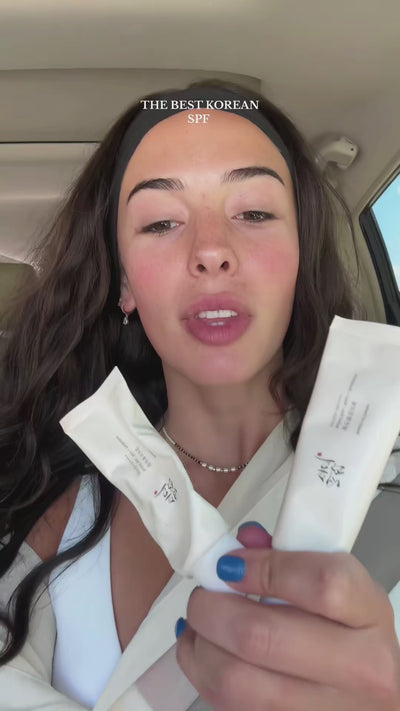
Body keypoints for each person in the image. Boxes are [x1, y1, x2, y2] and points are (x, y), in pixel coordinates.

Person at [0, 79, 399, 710]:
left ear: (299, 255)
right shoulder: (62, 503)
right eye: (162, 222)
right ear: (125, 285)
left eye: (255, 214)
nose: (212, 251)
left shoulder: (386, 493)